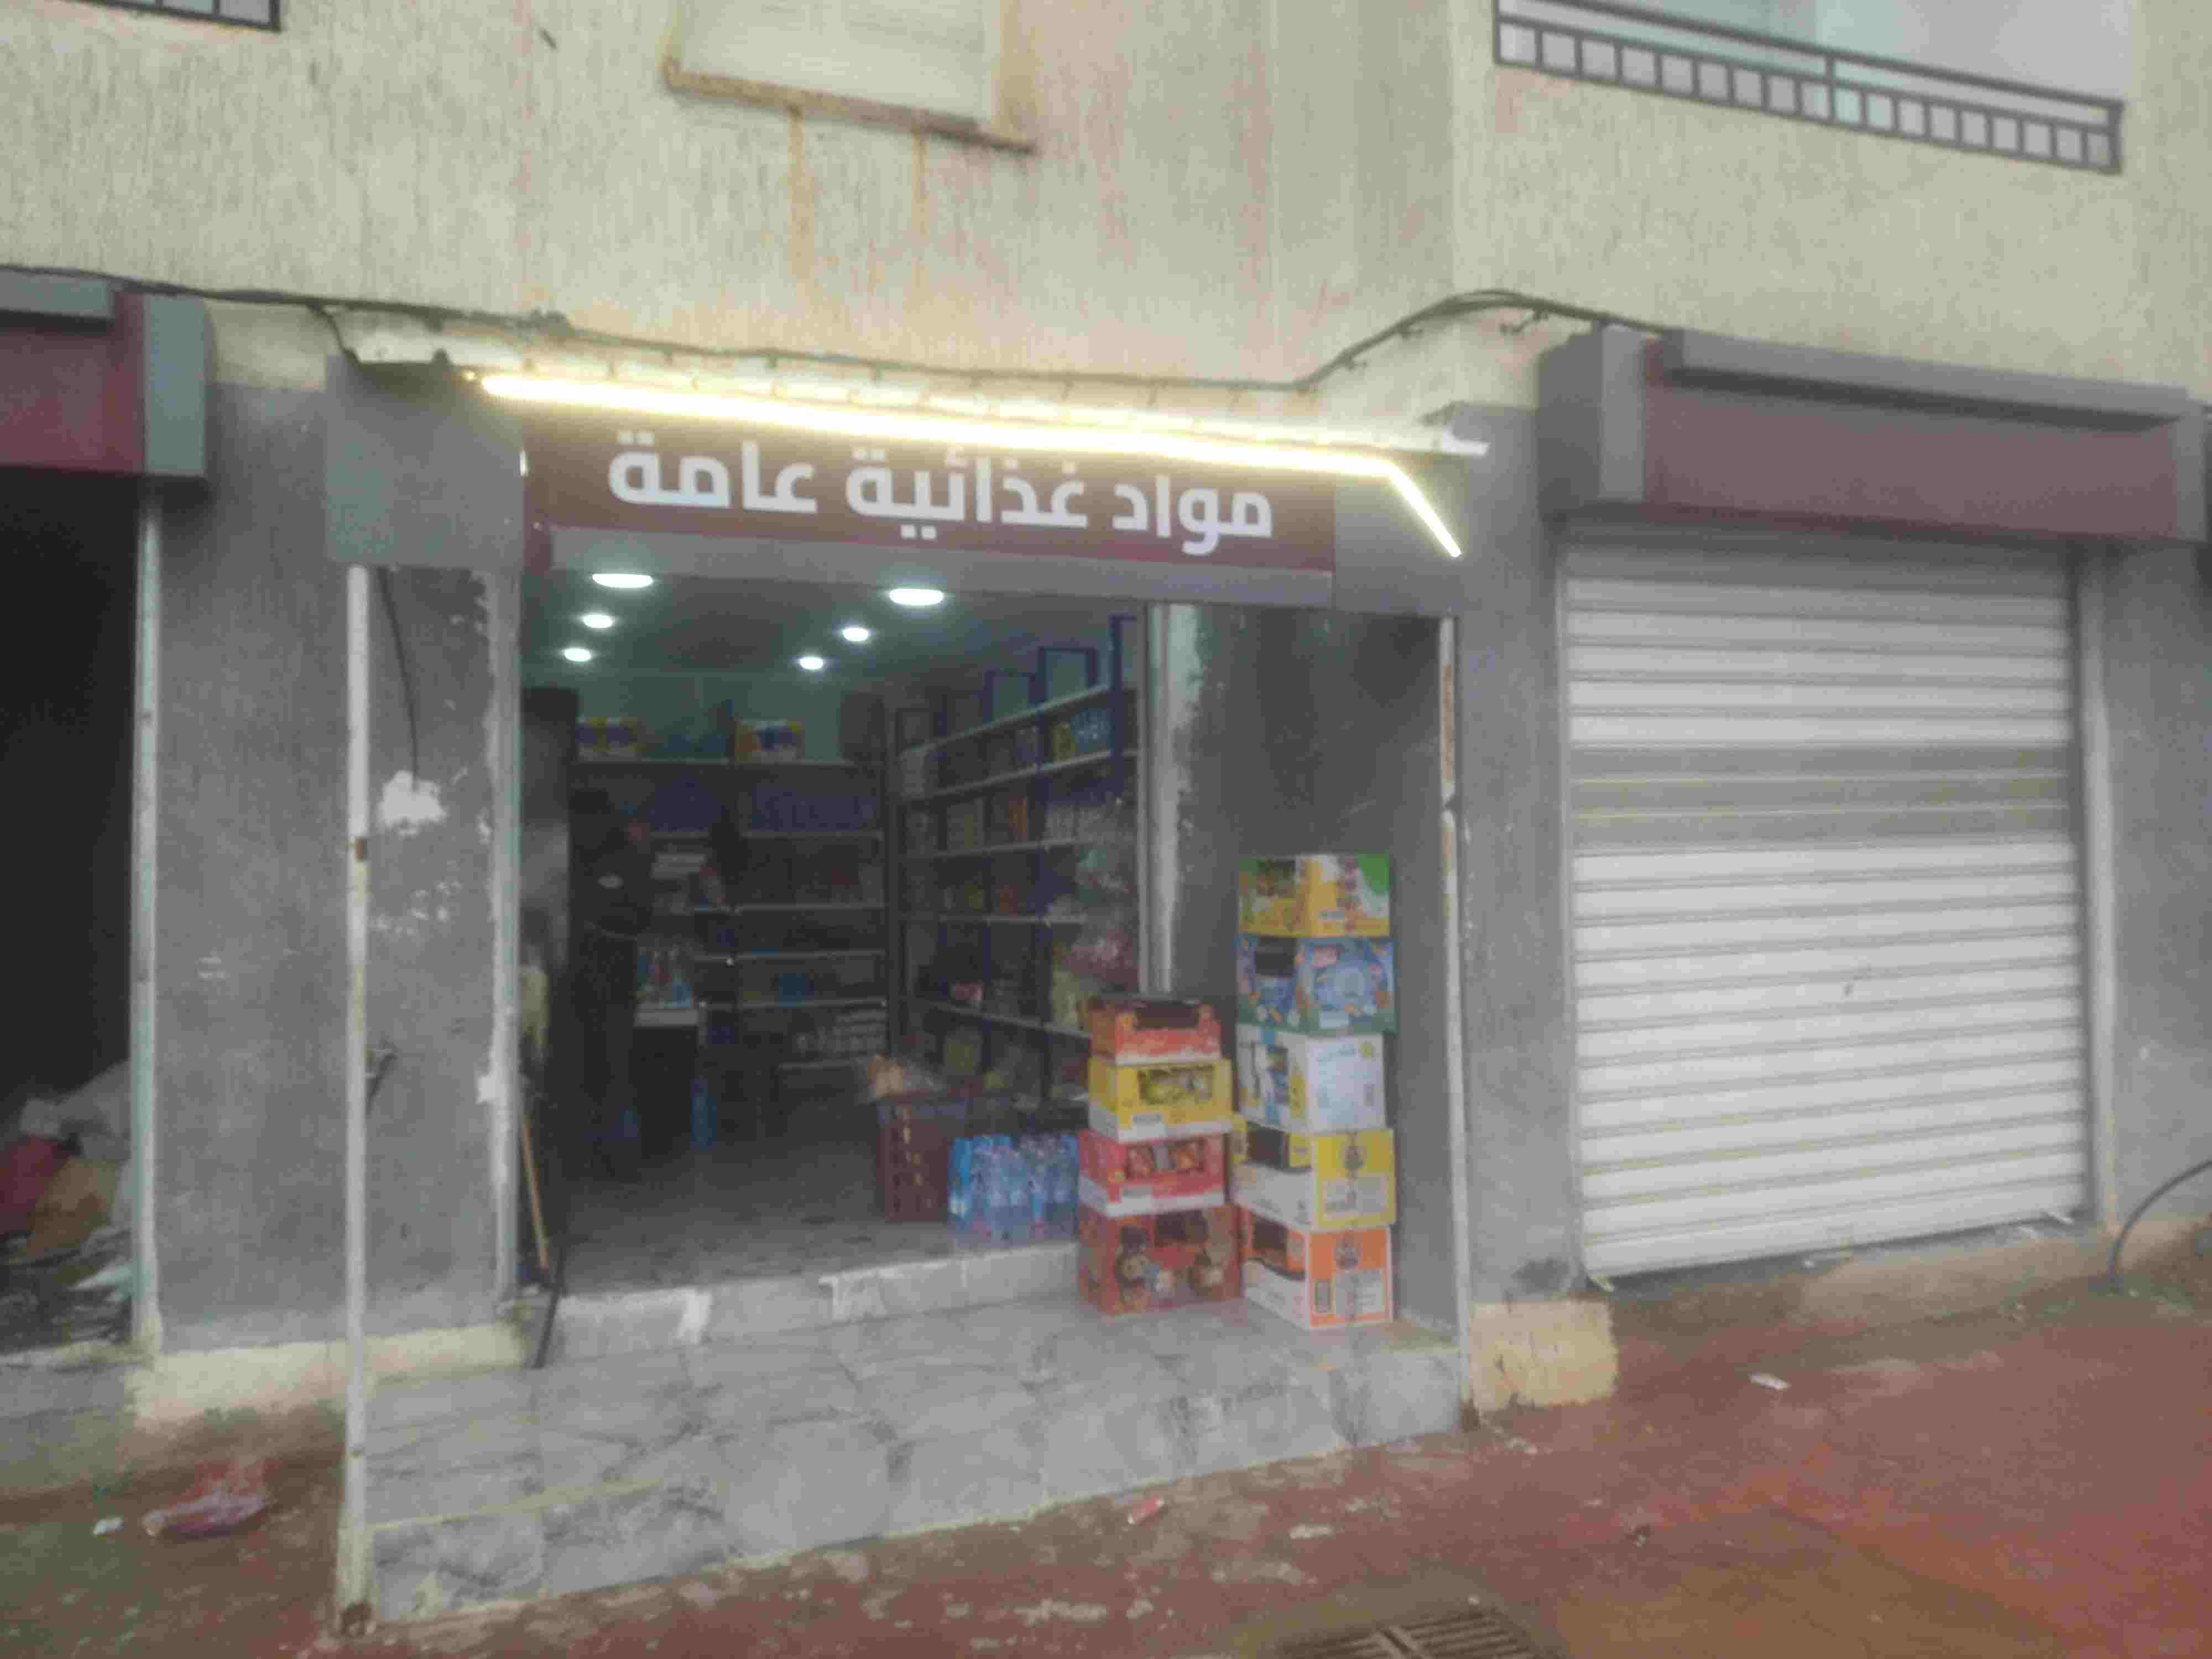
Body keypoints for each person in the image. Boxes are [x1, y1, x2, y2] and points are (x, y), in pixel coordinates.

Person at [569, 790, 654, 1181]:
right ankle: (593, 1156)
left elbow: (639, 915)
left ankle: (615, 1158)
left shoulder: (625, 860)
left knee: (613, 1070)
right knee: (591, 1070)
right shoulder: (577, 857)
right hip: (583, 981)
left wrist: (597, 917)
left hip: (612, 981)